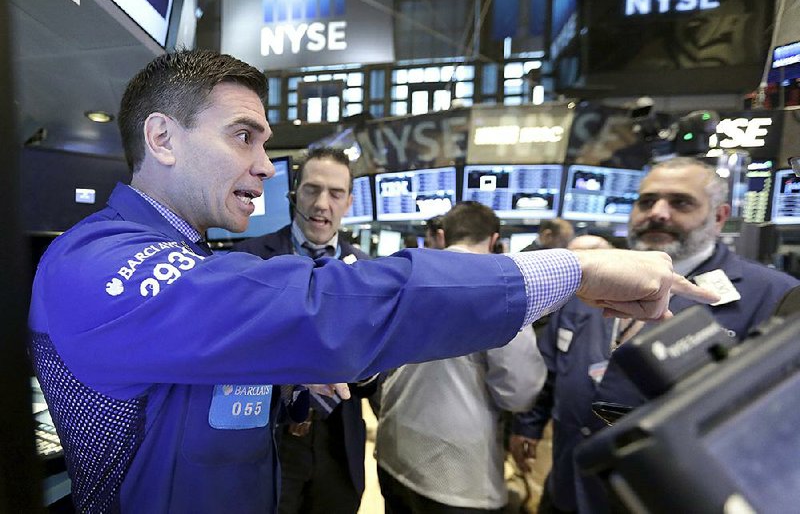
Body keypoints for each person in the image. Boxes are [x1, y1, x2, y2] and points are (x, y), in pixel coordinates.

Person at [27, 49, 715, 513]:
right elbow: (318, 307)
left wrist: (288, 385)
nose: (268, 166)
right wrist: (571, 267)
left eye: (266, 142)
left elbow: (184, 392)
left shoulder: (190, 252)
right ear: (163, 138)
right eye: (244, 136)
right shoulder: (96, 263)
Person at [510, 156, 799, 514]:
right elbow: (553, 366)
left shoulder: (774, 295)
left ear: (720, 216)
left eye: (680, 203)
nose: (658, 213)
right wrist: (530, 425)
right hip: (569, 489)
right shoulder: (591, 277)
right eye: (647, 202)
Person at [231, 147, 378, 514]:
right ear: (294, 193)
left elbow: (375, 374)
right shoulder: (250, 258)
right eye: (312, 189)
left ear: (349, 202)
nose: (322, 203)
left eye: (335, 193)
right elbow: (234, 352)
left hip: (338, 439)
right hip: (268, 437)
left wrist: (366, 364)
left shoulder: (366, 270)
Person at [376, 201, 548, 513]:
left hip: (393, 451)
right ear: (495, 241)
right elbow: (519, 391)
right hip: (453, 475)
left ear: (442, 236)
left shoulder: (406, 274)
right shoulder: (502, 287)